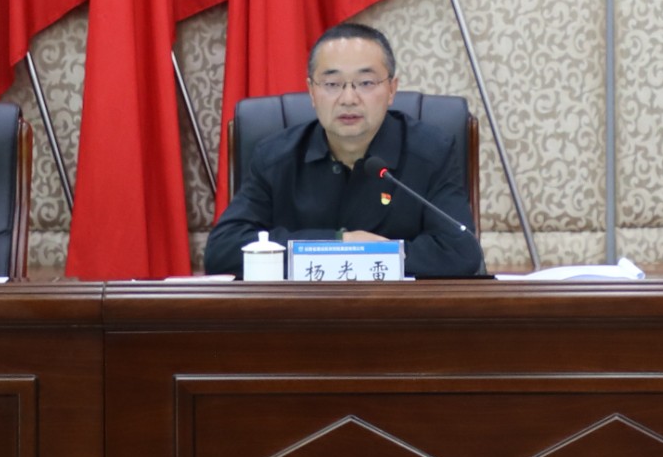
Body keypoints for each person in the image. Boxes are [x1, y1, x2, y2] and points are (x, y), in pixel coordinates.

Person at [205, 23, 484, 278]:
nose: (348, 99)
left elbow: (461, 251)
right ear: (312, 92)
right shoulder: (275, 157)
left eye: (366, 83)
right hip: (301, 314)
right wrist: (340, 243)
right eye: (332, 84)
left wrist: (375, 255)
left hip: (396, 312)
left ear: (391, 89)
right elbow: (223, 251)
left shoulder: (431, 152)